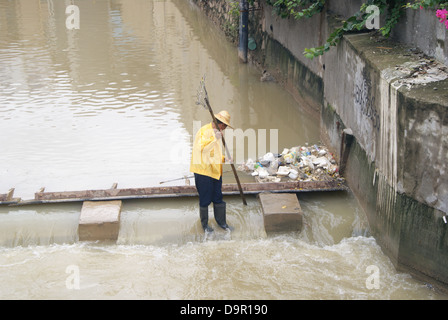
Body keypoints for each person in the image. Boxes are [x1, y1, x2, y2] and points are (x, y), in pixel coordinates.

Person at [190, 110, 233, 233]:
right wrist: (215, 138)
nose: (224, 129)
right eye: (224, 126)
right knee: (205, 199)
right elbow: (202, 148)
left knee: (218, 197)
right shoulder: (204, 131)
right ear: (221, 124)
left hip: (214, 171)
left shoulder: (217, 133)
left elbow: (214, 154)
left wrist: (225, 159)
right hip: (203, 171)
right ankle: (205, 226)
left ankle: (222, 223)